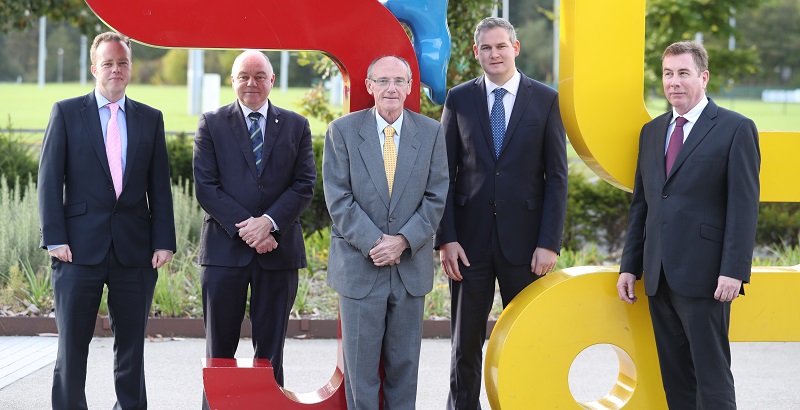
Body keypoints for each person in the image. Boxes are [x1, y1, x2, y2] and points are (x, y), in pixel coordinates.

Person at [617, 41, 760, 409]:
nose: (674, 82)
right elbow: (642, 206)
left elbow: (743, 208)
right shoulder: (651, 132)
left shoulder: (735, 129)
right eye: (668, 74)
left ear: (703, 77)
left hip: (708, 279)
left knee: (712, 380)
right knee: (676, 380)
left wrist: (734, 271)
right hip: (658, 276)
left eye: (683, 73)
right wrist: (630, 266)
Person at [38, 31, 176, 409]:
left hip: (135, 251)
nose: (116, 69)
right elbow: (49, 179)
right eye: (109, 63)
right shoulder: (66, 112)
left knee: (131, 347)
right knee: (72, 347)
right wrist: (54, 237)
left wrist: (164, 240)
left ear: (130, 68)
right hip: (77, 250)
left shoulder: (150, 118)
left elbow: (159, 186)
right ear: (94, 67)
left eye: (123, 62)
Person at [435, 17, 568, 409]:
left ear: (516, 47)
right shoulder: (459, 99)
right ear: (476, 53)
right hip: (468, 245)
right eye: (486, 48)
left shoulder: (545, 99)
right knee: (465, 345)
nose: (495, 54)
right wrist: (446, 237)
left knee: (528, 339)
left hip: (526, 247)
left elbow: (557, 178)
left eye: (501, 46)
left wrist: (548, 243)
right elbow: (444, 173)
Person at [323, 55, 448, 409]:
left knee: (405, 369)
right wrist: (377, 243)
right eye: (383, 81)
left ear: (409, 87)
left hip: (410, 270)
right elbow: (338, 198)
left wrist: (403, 241)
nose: (391, 88)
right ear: (369, 86)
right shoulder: (342, 132)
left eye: (398, 81)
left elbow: (437, 195)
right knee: (360, 372)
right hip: (361, 269)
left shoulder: (431, 132)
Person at [193, 50, 316, 388]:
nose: (252, 83)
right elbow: (206, 187)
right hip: (224, 256)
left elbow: (304, 184)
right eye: (244, 76)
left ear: (272, 80)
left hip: (278, 254)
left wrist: (270, 223)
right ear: (233, 81)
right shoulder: (211, 123)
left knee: (270, 355)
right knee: (219, 355)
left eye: (260, 76)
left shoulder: (296, 125)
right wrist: (251, 229)